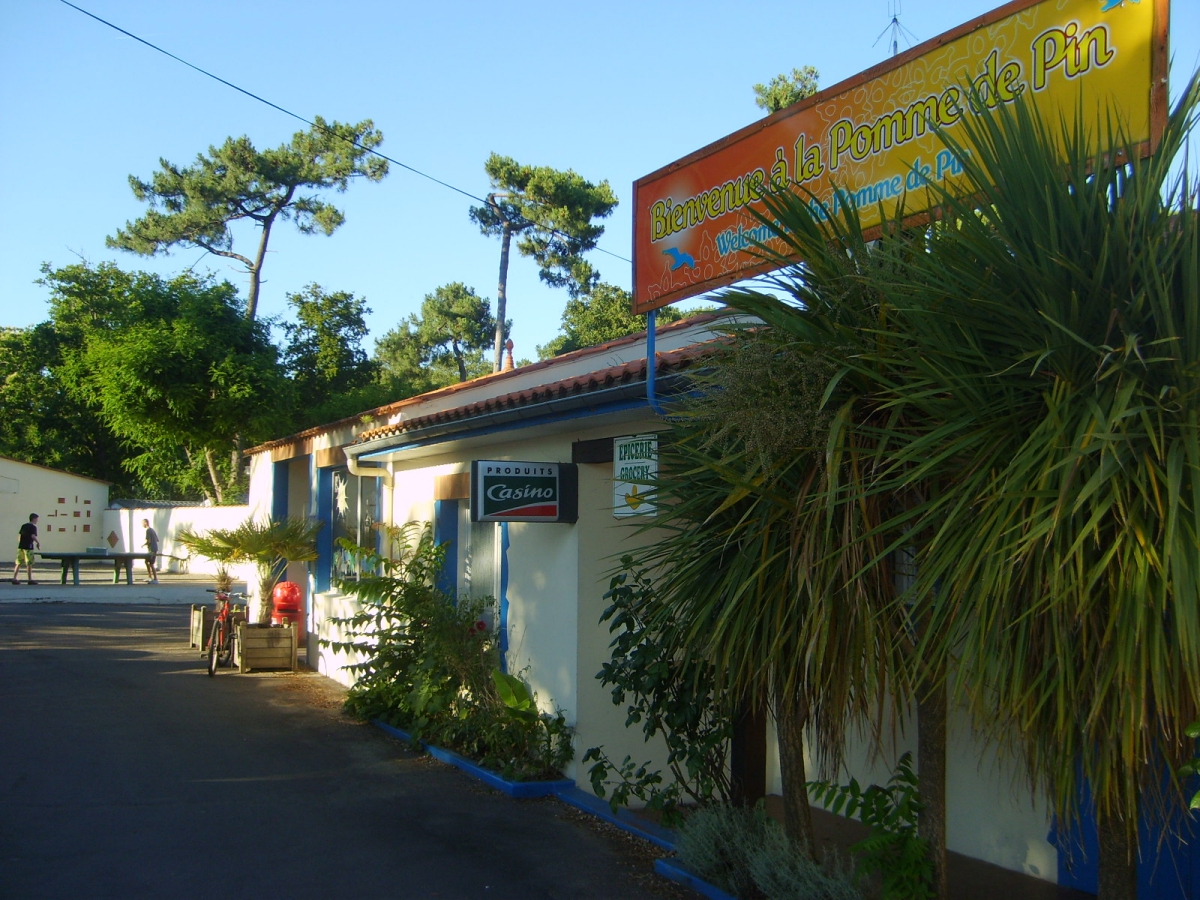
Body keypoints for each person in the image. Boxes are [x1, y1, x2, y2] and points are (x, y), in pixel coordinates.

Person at [11, 513, 40, 585]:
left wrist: (21, 543)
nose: (37, 520)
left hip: (21, 546)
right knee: (29, 563)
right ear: (34, 519)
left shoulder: (24, 526)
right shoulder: (33, 527)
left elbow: (20, 536)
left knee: (18, 562)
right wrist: (38, 542)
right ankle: (30, 579)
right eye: (37, 519)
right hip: (28, 547)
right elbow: (33, 536)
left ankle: (14, 578)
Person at [142, 518, 160, 584]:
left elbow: (149, 541)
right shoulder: (152, 530)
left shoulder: (148, 530)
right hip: (154, 548)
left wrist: (143, 545)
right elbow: (157, 539)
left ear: (146, 523)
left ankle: (155, 579)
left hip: (152, 550)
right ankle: (150, 577)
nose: (142, 525)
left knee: (151, 564)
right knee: (147, 562)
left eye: (143, 523)